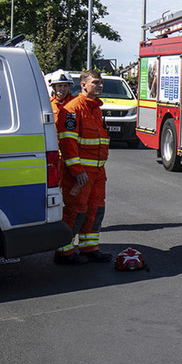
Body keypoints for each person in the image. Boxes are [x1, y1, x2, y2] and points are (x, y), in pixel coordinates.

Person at [54, 70, 112, 264]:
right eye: (95, 82)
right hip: (80, 173)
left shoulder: (95, 108)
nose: (100, 85)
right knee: (76, 210)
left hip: (97, 172)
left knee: (95, 209)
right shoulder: (72, 109)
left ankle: (89, 247)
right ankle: (64, 251)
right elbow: (67, 143)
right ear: (83, 85)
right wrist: (77, 171)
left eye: (101, 82)